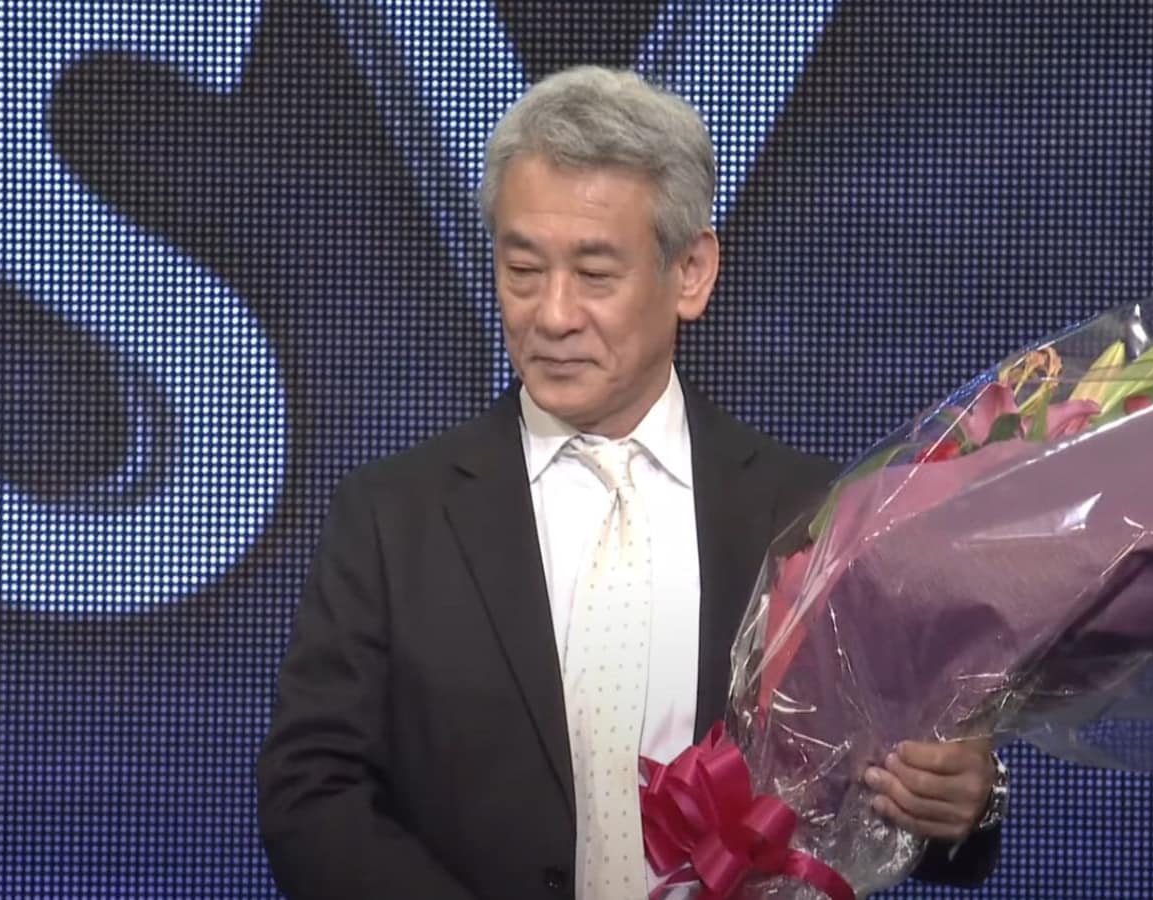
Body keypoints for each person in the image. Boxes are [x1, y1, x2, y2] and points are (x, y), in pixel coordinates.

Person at [258, 65, 1004, 899]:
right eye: (523, 269)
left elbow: (886, 795)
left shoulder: (808, 517)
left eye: (595, 274)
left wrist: (965, 801)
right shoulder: (393, 518)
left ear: (690, 273)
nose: (551, 314)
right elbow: (310, 796)